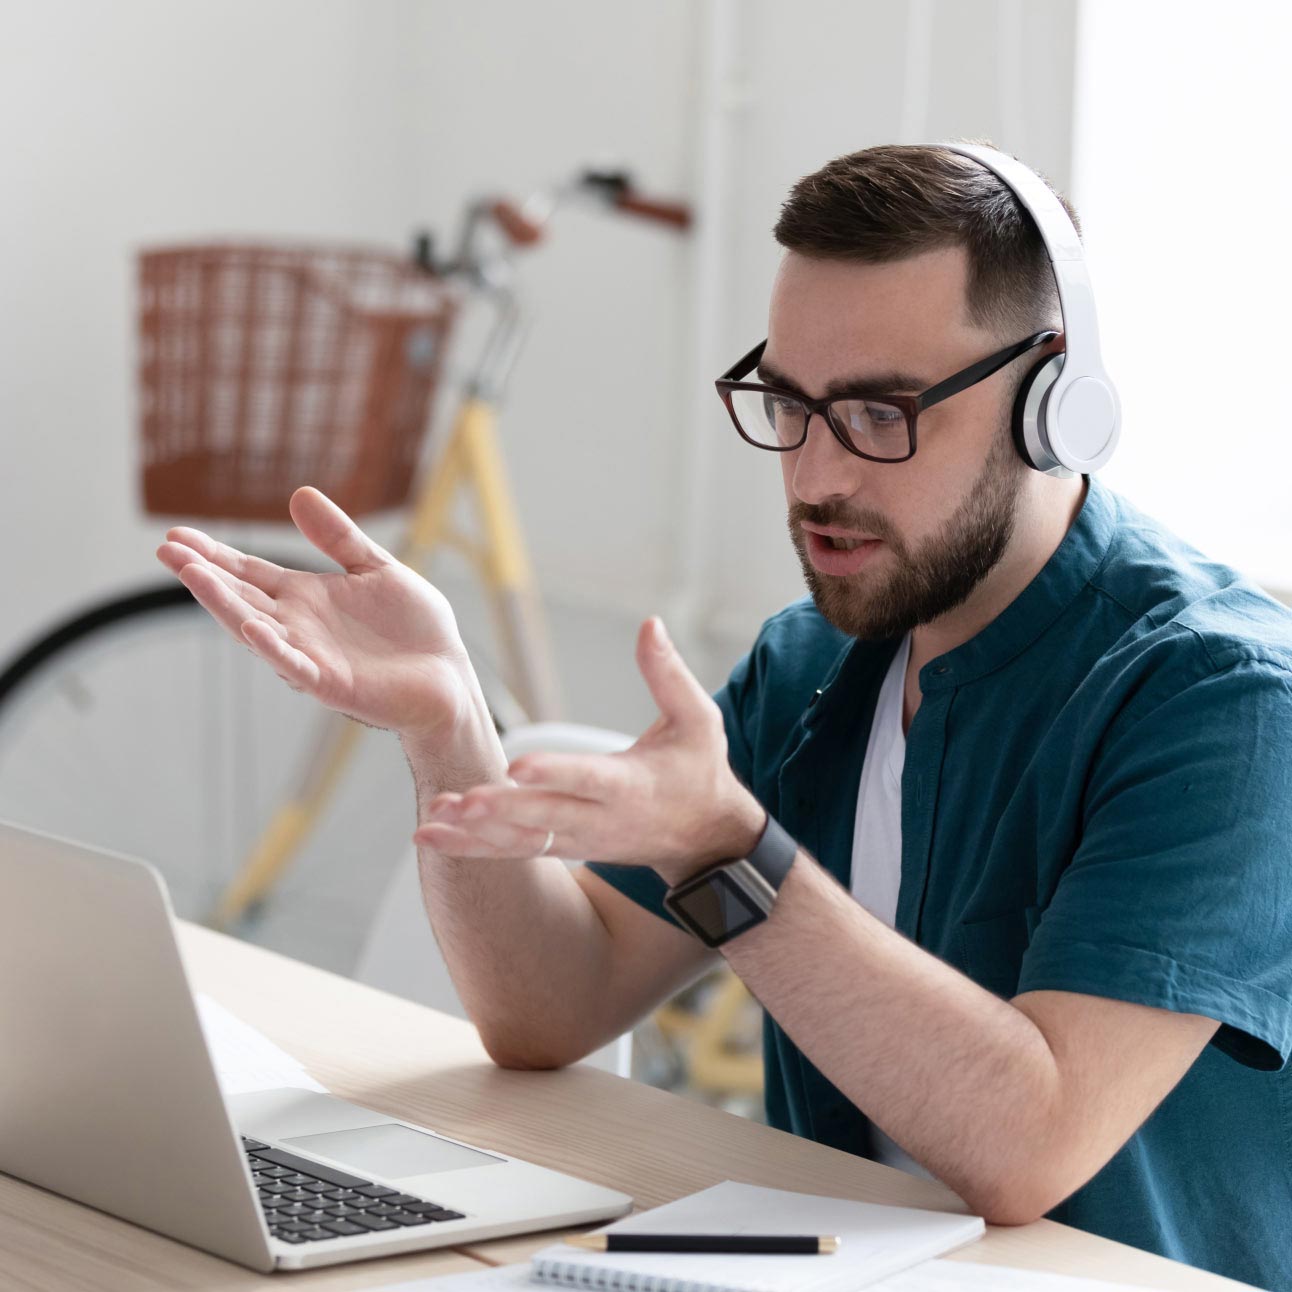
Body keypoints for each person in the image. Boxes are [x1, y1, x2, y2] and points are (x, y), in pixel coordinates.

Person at [156, 143, 1292, 1288]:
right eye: (787, 404)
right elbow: (551, 1005)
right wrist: (447, 725)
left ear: (1054, 400)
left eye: (877, 414)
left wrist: (729, 852)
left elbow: (1027, 1144)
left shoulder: (1221, 701)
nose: (810, 478)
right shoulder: (814, 657)